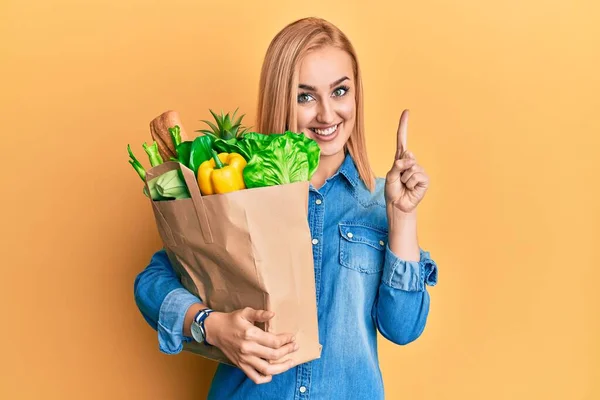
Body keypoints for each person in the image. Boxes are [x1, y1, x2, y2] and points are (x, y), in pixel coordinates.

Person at [134, 16, 438, 400]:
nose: (327, 115)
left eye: (340, 91)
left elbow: (403, 327)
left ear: (356, 94)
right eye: (305, 96)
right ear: (282, 98)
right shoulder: (236, 185)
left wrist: (403, 218)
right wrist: (210, 326)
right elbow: (152, 282)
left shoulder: (381, 201)